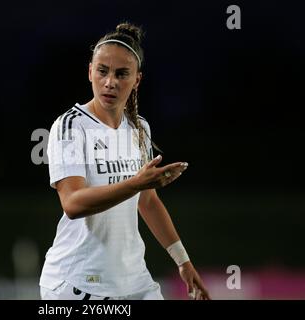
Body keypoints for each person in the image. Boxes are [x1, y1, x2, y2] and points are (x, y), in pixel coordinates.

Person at [39, 22, 210, 300]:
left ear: (137, 80)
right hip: (78, 282)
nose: (110, 82)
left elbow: (148, 201)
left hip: (133, 281)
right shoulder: (71, 126)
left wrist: (183, 261)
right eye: (103, 71)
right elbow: (72, 204)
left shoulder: (139, 128)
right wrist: (135, 183)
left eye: (121, 74)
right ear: (90, 72)